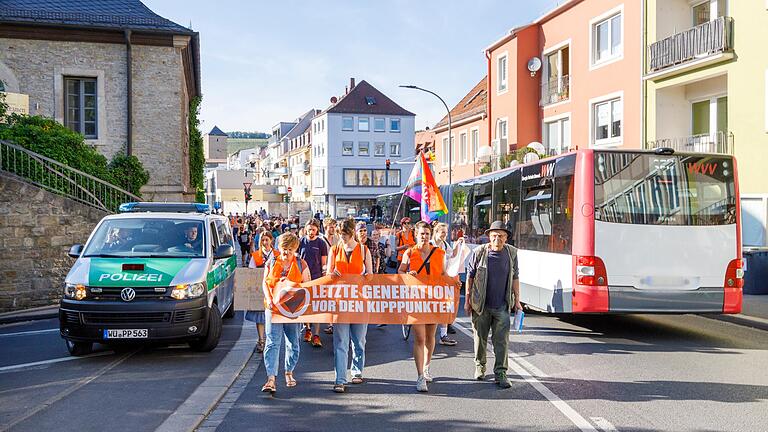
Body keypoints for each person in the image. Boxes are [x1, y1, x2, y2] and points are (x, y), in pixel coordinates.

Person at [464, 220, 520, 389]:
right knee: (480, 339)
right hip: (481, 305)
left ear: (506, 238)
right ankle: (480, 367)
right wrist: (467, 300)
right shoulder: (480, 252)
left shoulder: (511, 253)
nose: (498, 239)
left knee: (501, 341)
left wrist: (517, 300)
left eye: (501, 236)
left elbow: (516, 277)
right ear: (489, 236)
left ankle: (501, 373)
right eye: (494, 235)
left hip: (502, 305)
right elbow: (470, 276)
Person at [398, 221, 446, 392]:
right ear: (416, 235)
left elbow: (444, 274)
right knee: (419, 338)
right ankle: (420, 376)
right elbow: (400, 271)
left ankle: (427, 366)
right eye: (421, 234)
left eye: (427, 234)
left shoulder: (440, 253)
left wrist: (454, 283)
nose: (424, 237)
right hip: (416, 299)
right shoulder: (409, 253)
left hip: (433, 300)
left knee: (430, 336)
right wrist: (407, 275)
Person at [261, 233, 311, 394]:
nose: (286, 253)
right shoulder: (272, 261)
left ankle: (289, 371)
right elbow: (265, 282)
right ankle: (271, 378)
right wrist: (268, 299)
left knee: (293, 342)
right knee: (272, 342)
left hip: (292, 310)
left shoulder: (301, 264)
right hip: (274, 309)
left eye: (290, 250)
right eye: (283, 249)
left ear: (295, 249)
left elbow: (308, 286)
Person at [327, 218, 373, 393]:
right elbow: (328, 274)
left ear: (352, 233)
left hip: (360, 302)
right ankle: (340, 378)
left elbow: (370, 275)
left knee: (359, 340)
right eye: (340, 235)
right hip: (340, 302)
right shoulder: (334, 249)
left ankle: (357, 371)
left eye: (345, 235)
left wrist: (364, 275)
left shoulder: (363, 250)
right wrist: (333, 274)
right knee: (340, 341)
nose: (343, 238)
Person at [298, 218, 328, 347]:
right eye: (309, 229)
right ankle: (307, 329)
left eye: (314, 230)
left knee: (316, 307)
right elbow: (297, 259)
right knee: (305, 306)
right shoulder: (300, 242)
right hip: (303, 279)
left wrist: (324, 276)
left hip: (316, 278)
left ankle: (316, 335)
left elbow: (324, 263)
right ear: (306, 229)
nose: (311, 232)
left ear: (317, 230)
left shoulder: (321, 243)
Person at [431, 222, 461, 346]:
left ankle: (443, 335)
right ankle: (428, 332)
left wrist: (458, 244)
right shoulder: (430, 244)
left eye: (446, 233)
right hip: (431, 278)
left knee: (444, 306)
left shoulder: (444, 244)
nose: (445, 235)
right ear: (436, 232)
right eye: (442, 232)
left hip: (443, 278)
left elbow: (452, 255)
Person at [247, 231, 274, 353]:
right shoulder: (256, 255)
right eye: (262, 240)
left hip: (274, 288)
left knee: (272, 315)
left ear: (271, 240)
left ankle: (270, 340)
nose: (264, 242)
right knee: (260, 316)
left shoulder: (277, 254)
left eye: (267, 240)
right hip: (259, 288)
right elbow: (251, 271)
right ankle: (261, 340)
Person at [320, 218, 340, 335]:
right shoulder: (321, 240)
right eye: (331, 227)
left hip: (335, 271)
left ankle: (333, 323)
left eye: (334, 226)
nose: (333, 229)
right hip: (323, 270)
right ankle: (329, 322)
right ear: (326, 227)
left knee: (334, 296)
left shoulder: (338, 239)